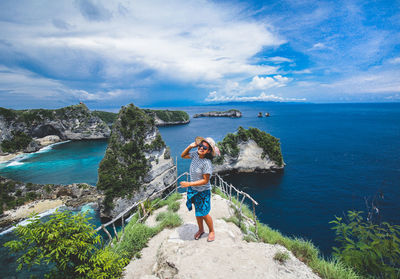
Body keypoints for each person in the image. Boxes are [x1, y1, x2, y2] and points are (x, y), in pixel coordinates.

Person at [180, 136, 220, 242]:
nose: (201, 148)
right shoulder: (195, 155)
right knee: (198, 212)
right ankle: (201, 229)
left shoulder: (207, 163)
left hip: (203, 191)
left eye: (205, 148)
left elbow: (205, 180)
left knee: (204, 213)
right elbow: (183, 155)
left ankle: (211, 231)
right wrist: (190, 146)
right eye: (201, 145)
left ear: (208, 151)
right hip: (194, 190)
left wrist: (189, 184)